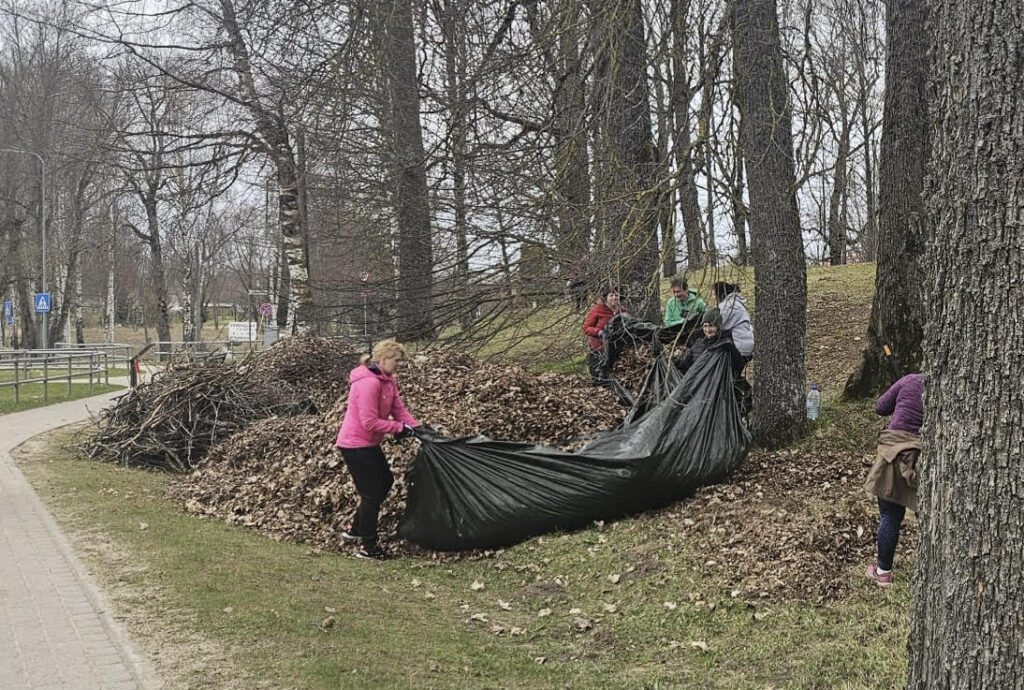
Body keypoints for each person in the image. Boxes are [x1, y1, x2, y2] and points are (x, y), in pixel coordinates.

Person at [335, 339, 421, 560]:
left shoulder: (388, 381)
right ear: (383, 358)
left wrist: (419, 429)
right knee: (372, 493)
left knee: (385, 483)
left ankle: (355, 530)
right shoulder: (368, 383)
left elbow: (399, 410)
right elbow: (369, 422)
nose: (399, 364)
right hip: (354, 444)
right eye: (396, 360)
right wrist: (399, 428)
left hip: (369, 444)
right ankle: (368, 546)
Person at [863, 373, 924, 587]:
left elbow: (880, 407)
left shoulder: (910, 380)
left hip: (895, 454)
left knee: (889, 515)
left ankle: (883, 572)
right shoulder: (950, 385)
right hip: (924, 455)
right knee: (928, 516)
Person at [673, 308, 746, 379]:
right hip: (697, 383)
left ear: (718, 326)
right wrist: (677, 360)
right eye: (705, 326)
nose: (708, 330)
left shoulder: (726, 345)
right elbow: (689, 363)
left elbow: (738, 366)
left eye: (711, 326)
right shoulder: (699, 343)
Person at [582, 289, 625, 386]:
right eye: (611, 295)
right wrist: (599, 332)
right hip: (598, 348)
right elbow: (586, 327)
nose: (614, 298)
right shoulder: (598, 310)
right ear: (606, 298)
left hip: (616, 348)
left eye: (616, 295)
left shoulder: (623, 311)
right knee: (599, 377)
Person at [712, 281, 754, 361]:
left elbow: (716, 323)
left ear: (720, 294)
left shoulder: (728, 306)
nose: (712, 298)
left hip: (739, 346)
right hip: (746, 343)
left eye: (714, 294)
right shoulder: (735, 303)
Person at [662, 276, 706, 347]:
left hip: (695, 337)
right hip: (676, 335)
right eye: (674, 292)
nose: (676, 295)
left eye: (678, 292)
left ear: (686, 290)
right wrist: (683, 321)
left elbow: (705, 320)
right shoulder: (670, 303)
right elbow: (668, 322)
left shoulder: (698, 302)